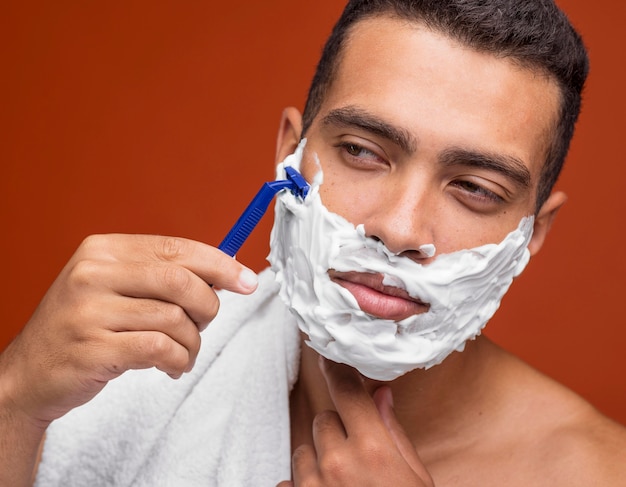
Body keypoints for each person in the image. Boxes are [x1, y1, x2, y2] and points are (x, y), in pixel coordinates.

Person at [1, 0, 625, 485]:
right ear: (288, 154)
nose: (400, 230)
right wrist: (14, 401)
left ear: (531, 233)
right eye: (361, 152)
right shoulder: (122, 376)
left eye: (476, 189)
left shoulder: (595, 473)